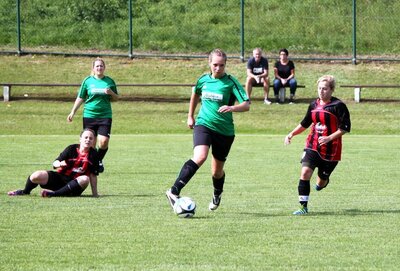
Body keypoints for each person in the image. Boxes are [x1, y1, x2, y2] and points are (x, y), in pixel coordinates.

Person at [165, 48, 250, 212]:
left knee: (217, 172)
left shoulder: (230, 82)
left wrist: (232, 107)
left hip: (224, 132)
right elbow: (195, 94)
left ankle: (217, 194)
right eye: (215, 65)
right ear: (209, 64)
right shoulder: (203, 80)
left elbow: (246, 105)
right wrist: (190, 116)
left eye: (222, 65)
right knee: (200, 156)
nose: (218, 68)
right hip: (203, 125)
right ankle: (174, 191)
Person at [284, 75, 351, 215]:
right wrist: (291, 134)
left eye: (325, 88)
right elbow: (305, 123)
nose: (321, 91)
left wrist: (329, 138)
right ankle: (303, 207)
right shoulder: (313, 105)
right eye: (320, 88)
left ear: (331, 90)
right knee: (305, 172)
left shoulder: (338, 106)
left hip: (331, 151)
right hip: (312, 145)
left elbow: (345, 127)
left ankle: (324, 181)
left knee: (321, 182)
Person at [8, 128, 100, 197]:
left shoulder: (94, 155)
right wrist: (59, 164)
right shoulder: (71, 149)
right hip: (60, 179)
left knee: (84, 179)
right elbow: (55, 163)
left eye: (91, 138)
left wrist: (95, 194)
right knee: (36, 175)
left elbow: (93, 175)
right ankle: (25, 192)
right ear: (80, 139)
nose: (88, 140)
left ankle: (53, 194)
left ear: (93, 141)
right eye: (86, 137)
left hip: (75, 185)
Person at [67, 57, 118, 173]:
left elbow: (116, 98)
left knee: (104, 142)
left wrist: (111, 93)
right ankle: (90, 166)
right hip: (89, 115)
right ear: (93, 68)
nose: (99, 68)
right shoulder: (87, 81)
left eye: (101, 66)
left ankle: (98, 160)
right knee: (91, 144)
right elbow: (81, 97)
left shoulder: (109, 81)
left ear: (104, 68)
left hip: (105, 115)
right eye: (97, 66)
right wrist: (72, 112)